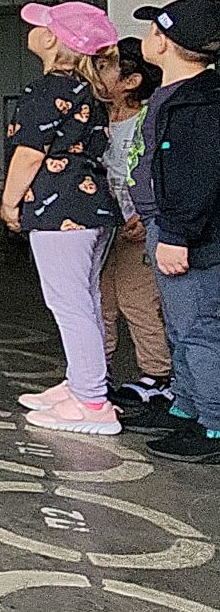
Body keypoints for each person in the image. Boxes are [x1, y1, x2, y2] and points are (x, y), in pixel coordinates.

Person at [4, 2, 123, 435]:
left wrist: (9, 201)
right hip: (93, 207)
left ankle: (92, 402)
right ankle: (81, 384)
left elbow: (30, 153)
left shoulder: (45, 90)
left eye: (39, 25)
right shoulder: (92, 91)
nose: (32, 29)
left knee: (69, 305)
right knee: (85, 300)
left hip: (60, 209)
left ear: (52, 39)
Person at [125, 0, 220, 463]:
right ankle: (185, 407)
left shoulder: (199, 102)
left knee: (200, 330)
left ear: (164, 42)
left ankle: (213, 426)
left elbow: (197, 177)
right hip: (170, 227)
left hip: (191, 239)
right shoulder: (178, 95)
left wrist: (177, 235)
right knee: (183, 329)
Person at [101, 37, 171, 407]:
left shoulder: (149, 118)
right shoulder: (95, 116)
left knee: (136, 298)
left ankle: (158, 375)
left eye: (106, 67)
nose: (97, 74)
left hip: (138, 224)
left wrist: (148, 215)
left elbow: (158, 171)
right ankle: (99, 372)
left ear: (131, 82)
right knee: (102, 300)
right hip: (105, 224)